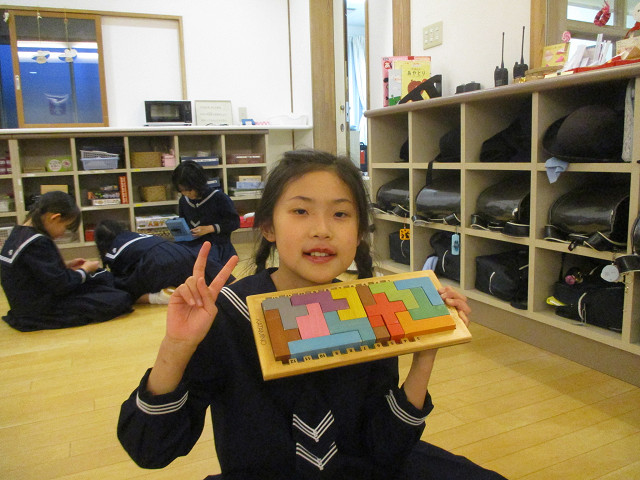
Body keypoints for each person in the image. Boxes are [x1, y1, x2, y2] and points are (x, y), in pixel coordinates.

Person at [118, 150, 506, 480]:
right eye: (301, 211)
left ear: (360, 231)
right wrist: (177, 347)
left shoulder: (370, 306)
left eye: (341, 214)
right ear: (268, 226)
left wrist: (426, 349)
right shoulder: (230, 313)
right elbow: (150, 450)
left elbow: (385, 450)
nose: (322, 230)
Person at [0, 191, 132, 332]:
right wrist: (85, 269)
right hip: (40, 311)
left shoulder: (18, 233)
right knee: (118, 298)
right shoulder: (38, 242)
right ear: (54, 218)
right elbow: (62, 285)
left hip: (28, 305)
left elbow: (34, 273)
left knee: (99, 280)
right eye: (66, 226)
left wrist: (66, 267)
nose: (63, 233)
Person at [94, 219, 232, 304]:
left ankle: (159, 297)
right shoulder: (136, 235)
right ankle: (230, 285)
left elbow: (119, 273)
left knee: (117, 285)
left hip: (156, 263)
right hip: (178, 251)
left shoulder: (112, 249)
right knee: (200, 264)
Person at [171, 160, 240, 264]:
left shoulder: (218, 197)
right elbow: (184, 223)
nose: (186, 193)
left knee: (205, 260)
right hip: (192, 244)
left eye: (189, 190)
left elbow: (234, 222)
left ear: (198, 184)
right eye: (181, 191)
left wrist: (210, 228)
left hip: (217, 245)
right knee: (173, 255)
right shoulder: (184, 200)